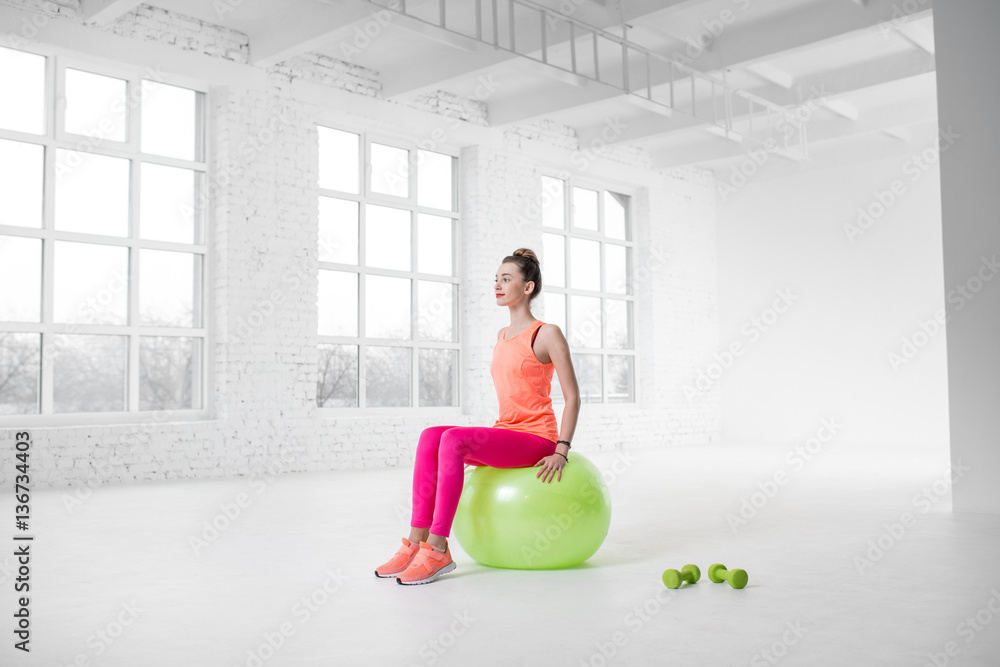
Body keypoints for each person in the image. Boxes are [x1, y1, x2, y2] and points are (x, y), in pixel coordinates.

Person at [375, 248, 581, 585]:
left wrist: (561, 450)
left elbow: (573, 396)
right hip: (508, 430)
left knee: (453, 439)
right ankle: (416, 542)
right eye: (495, 280)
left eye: (506, 279)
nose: (497, 285)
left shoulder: (547, 333)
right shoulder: (501, 336)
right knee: (431, 435)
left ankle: (439, 549)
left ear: (527, 287)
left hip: (537, 438)